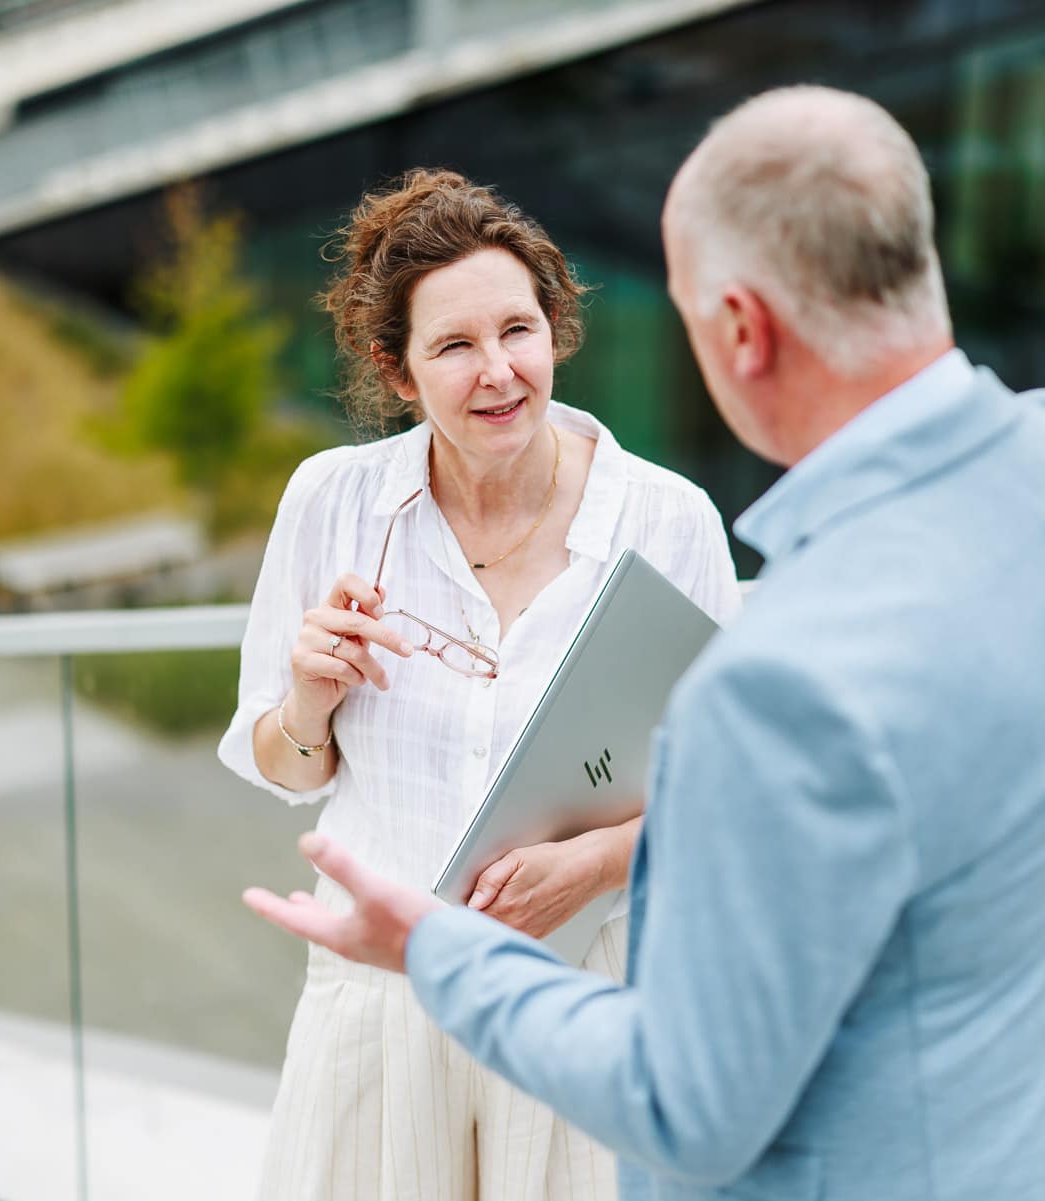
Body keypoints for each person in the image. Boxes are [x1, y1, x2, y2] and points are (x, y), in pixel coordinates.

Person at [245, 87, 1045, 1201]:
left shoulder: (783, 676)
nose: (501, 368)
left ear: (741, 329)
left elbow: (686, 1103)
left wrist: (437, 951)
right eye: (454, 345)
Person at [218, 168, 741, 1201]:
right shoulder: (333, 501)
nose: (499, 371)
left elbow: (734, 785)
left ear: (555, 328)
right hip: (383, 991)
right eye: (454, 346)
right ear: (398, 371)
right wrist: (309, 703)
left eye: (518, 330)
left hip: (584, 990)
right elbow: (282, 764)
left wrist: (593, 862)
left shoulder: (669, 520)